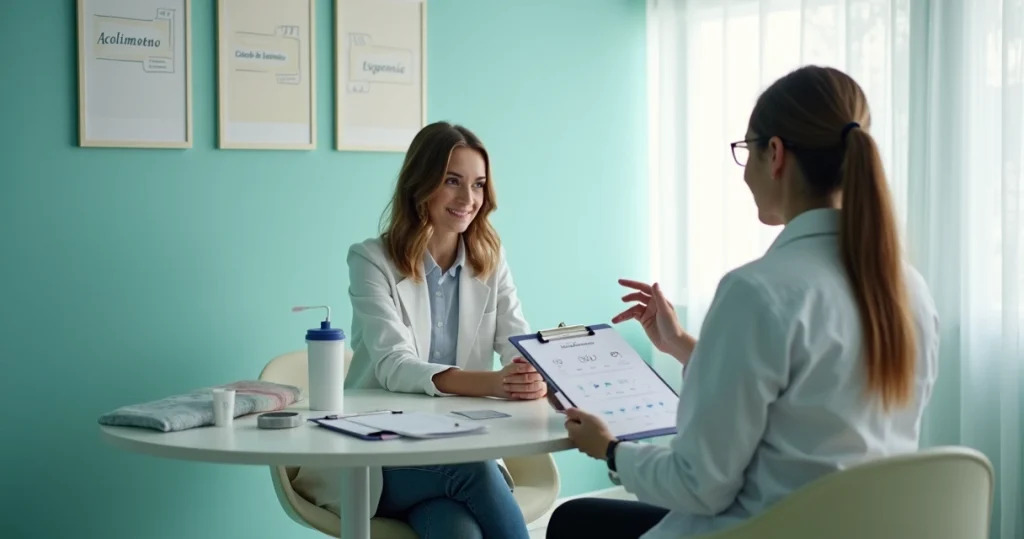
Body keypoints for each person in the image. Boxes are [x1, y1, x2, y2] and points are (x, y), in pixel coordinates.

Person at [545, 65, 940, 539]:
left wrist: (610, 450)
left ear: (774, 154)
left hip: (764, 527)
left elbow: (698, 485)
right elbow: (806, 396)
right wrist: (685, 347)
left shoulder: (758, 290)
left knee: (574, 521)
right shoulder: (907, 290)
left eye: (745, 151)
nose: (746, 170)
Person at [292, 121, 546, 539]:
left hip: (453, 454)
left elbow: (516, 339)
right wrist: (495, 383)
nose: (469, 199)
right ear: (420, 183)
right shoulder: (371, 260)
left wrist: (528, 373)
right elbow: (395, 364)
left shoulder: (490, 259)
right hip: (381, 457)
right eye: (453, 181)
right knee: (473, 470)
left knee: (456, 529)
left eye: (479, 185)